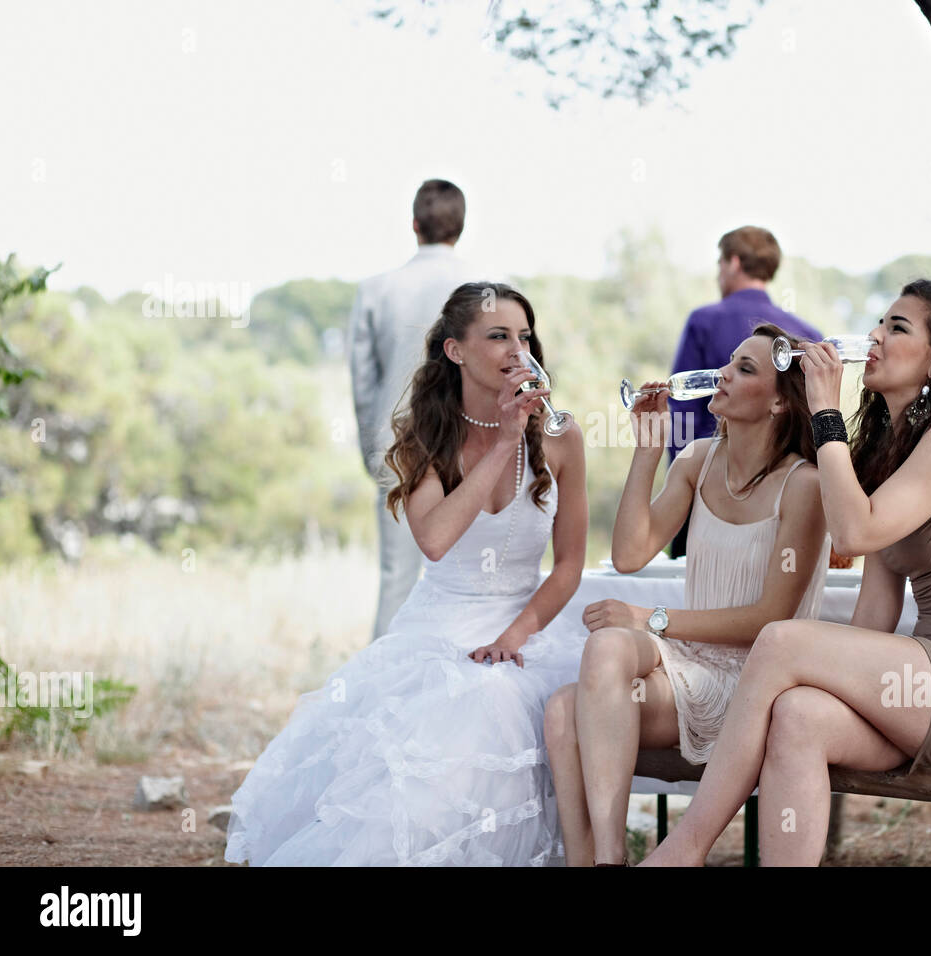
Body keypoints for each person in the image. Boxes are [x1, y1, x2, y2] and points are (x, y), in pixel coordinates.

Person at [641, 280, 931, 867]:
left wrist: (825, 412)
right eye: (880, 324)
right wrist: (837, 678)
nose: (874, 339)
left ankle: (684, 850)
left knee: (782, 640)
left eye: (898, 328)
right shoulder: (893, 446)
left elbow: (854, 532)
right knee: (798, 716)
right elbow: (876, 608)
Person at [226, 282, 588, 866]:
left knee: (503, 698)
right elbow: (436, 540)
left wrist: (513, 638)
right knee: (446, 734)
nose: (517, 349)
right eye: (498, 336)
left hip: (527, 629)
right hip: (439, 628)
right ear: (456, 351)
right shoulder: (426, 436)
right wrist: (503, 441)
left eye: (524, 337)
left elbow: (570, 564)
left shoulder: (562, 436)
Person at [543, 323, 832, 866]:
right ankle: (606, 859)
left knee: (579, 693)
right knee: (572, 697)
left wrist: (649, 618)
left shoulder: (805, 485)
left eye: (744, 369)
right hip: (689, 665)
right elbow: (630, 554)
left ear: (777, 404)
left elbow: (769, 619)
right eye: (729, 362)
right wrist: (648, 450)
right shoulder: (697, 460)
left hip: (753, 682)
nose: (722, 373)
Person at [350, 178, 484, 641]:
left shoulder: (374, 290)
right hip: (475, 444)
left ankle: (382, 702)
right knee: (472, 585)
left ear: (414, 225)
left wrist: (374, 453)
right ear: (461, 227)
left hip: (398, 446)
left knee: (397, 582)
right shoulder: (485, 291)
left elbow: (363, 384)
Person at [667, 226, 823, 558]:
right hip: (788, 498)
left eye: (719, 264)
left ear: (734, 263)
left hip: (707, 490)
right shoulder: (808, 333)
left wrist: (681, 485)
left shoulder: (704, 321)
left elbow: (682, 405)